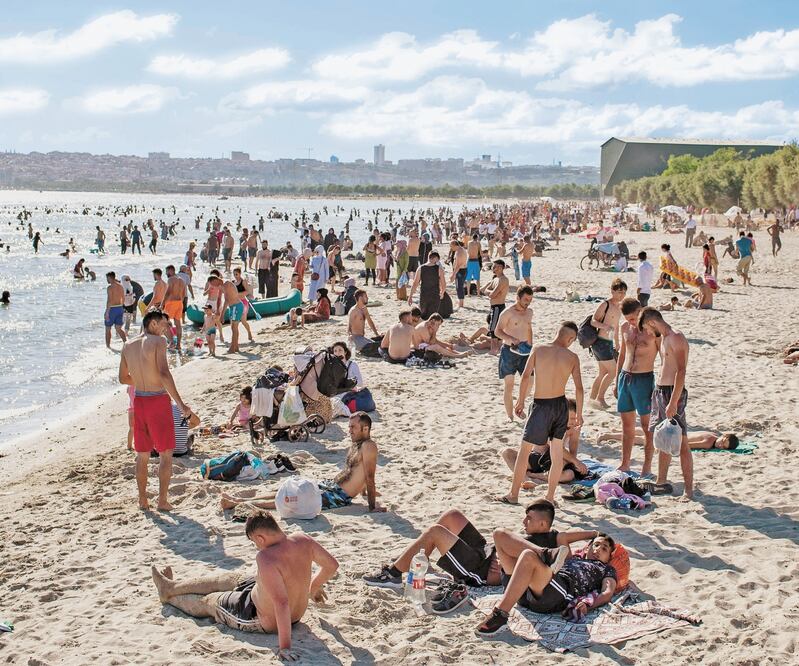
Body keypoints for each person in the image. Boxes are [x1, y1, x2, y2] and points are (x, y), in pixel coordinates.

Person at [151, 511, 338, 661]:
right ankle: (173, 586)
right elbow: (331, 565)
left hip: (258, 616)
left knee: (210, 602)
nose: (256, 546)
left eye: (254, 541)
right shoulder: (303, 539)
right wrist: (312, 588)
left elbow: (281, 603)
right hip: (294, 613)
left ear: (260, 538)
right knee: (229, 579)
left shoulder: (266, 557)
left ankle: (168, 594)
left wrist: (285, 647)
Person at [363, 500, 599, 597]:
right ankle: (410, 558)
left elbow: (568, 539)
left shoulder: (550, 541)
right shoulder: (541, 534)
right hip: (485, 550)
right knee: (453, 515)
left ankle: (393, 574)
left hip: (481, 569)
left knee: (436, 532)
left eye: (528, 519)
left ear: (543, 524)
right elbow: (581, 534)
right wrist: (595, 533)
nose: (523, 522)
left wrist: (594, 542)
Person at [221, 412, 386, 513]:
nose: (349, 430)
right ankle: (237, 499)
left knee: (289, 499)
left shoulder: (369, 446)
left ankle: (235, 503)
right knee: (285, 491)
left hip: (338, 496)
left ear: (365, 429)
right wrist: (363, 493)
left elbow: (369, 476)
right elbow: (359, 471)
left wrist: (372, 506)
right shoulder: (357, 443)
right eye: (349, 427)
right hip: (330, 486)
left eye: (353, 428)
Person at [500, 321, 584, 505]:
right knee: (556, 454)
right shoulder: (572, 357)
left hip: (541, 405)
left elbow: (525, 377)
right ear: (571, 339)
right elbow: (579, 388)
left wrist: (520, 400)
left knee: (524, 450)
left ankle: (514, 495)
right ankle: (550, 497)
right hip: (560, 406)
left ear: (557, 332)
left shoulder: (538, 348)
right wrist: (580, 413)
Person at [475, 533, 617, 636]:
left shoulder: (606, 569)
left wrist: (588, 604)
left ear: (609, 558)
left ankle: (500, 614)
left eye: (604, 549)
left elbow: (607, 592)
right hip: (523, 592)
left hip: (558, 592)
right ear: (587, 548)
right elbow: (562, 537)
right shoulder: (570, 558)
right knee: (499, 535)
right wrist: (594, 533)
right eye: (596, 545)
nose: (598, 549)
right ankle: (545, 554)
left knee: (528, 556)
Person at [118, 310, 191, 511]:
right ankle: (162, 501)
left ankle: (142, 500)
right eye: (164, 324)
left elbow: (123, 378)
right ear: (152, 324)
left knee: (142, 454)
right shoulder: (158, 342)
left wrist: (143, 380)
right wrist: (181, 404)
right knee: (165, 454)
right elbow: (164, 373)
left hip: (139, 400)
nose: (167, 328)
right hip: (157, 401)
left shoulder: (127, 345)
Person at [638, 307, 694, 499]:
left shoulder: (676, 337)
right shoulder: (663, 339)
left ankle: (688, 489)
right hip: (661, 391)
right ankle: (661, 482)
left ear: (652, 323)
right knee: (663, 438)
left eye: (646, 327)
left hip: (672, 393)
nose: (646, 332)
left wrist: (673, 401)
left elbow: (681, 371)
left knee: (682, 441)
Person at [614, 298, 660, 476]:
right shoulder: (625, 328)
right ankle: (625, 463)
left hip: (644, 379)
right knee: (626, 426)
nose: (631, 323)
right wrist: (617, 380)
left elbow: (664, 358)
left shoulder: (653, 332)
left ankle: (646, 467)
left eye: (633, 319)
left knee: (648, 427)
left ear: (641, 311)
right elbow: (622, 354)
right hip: (626, 378)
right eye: (628, 319)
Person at [501, 399, 587, 487]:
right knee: (506, 452)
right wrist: (576, 461)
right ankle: (525, 479)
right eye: (571, 418)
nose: (573, 421)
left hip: (555, 461)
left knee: (569, 475)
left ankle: (534, 476)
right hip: (537, 458)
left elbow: (573, 446)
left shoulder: (574, 428)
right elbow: (555, 446)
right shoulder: (551, 423)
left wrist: (574, 464)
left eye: (575, 418)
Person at [495, 285, 534, 421]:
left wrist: (531, 344)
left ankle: (519, 402)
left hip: (526, 351)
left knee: (530, 381)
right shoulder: (507, 313)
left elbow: (529, 328)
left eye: (530, 299)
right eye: (525, 299)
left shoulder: (529, 312)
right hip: (509, 351)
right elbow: (497, 331)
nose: (527, 302)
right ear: (518, 298)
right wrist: (511, 339)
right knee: (509, 385)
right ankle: (510, 416)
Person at [588, 278, 626, 410]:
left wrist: (617, 342)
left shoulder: (619, 307)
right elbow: (593, 321)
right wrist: (605, 327)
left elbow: (616, 327)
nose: (622, 295)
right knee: (612, 372)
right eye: (619, 292)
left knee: (603, 372)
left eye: (624, 292)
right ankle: (600, 398)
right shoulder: (606, 304)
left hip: (609, 343)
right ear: (612, 291)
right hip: (600, 342)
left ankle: (592, 400)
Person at [597, 428, 739, 451]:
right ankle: (608, 436)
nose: (720, 445)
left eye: (723, 447)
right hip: (673, 438)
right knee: (641, 439)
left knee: (645, 431)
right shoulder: (709, 443)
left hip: (675, 431)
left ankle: (616, 431)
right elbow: (688, 445)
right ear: (724, 436)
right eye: (723, 442)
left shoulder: (712, 434)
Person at [482, 259, 510, 353]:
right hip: (493, 306)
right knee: (492, 326)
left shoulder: (503, 280)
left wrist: (489, 292)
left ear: (501, 268)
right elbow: (483, 290)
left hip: (498, 306)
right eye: (493, 266)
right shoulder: (495, 279)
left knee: (493, 328)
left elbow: (492, 295)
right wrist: (489, 292)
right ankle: (497, 348)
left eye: (495, 266)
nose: (493, 268)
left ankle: (494, 349)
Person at [408, 251, 446, 319]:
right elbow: (443, 283)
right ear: (435, 258)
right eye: (437, 260)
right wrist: (442, 292)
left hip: (424, 295)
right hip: (435, 295)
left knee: (423, 315)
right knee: (432, 316)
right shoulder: (439, 269)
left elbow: (415, 283)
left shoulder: (420, 268)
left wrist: (410, 296)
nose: (437, 262)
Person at [163, 265, 187, 349]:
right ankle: (178, 345)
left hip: (171, 302)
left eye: (166, 271)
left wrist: (162, 304)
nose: (166, 273)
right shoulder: (182, 280)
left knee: (164, 322)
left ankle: (172, 342)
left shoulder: (170, 279)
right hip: (180, 303)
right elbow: (184, 294)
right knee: (178, 324)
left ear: (171, 270)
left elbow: (168, 292)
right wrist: (180, 302)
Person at [104, 271, 127, 348]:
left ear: (110, 278)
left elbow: (109, 300)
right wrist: (121, 307)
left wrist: (107, 312)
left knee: (108, 329)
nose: (107, 280)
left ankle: (108, 347)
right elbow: (123, 298)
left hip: (112, 309)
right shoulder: (120, 286)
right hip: (120, 308)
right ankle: (126, 343)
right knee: (118, 328)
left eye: (107, 278)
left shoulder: (110, 288)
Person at [221, 279, 244, 354]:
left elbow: (226, 301)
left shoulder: (227, 285)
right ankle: (236, 346)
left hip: (236, 307)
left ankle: (232, 348)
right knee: (234, 328)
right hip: (233, 307)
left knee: (234, 328)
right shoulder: (225, 286)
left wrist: (222, 315)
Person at [449, 240, 469, 309]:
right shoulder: (461, 250)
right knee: (460, 286)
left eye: (451, 246)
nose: (451, 248)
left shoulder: (459, 252)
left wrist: (453, 275)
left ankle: (461, 303)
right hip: (463, 270)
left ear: (455, 245)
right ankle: (460, 301)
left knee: (459, 287)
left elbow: (458, 265)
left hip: (460, 270)